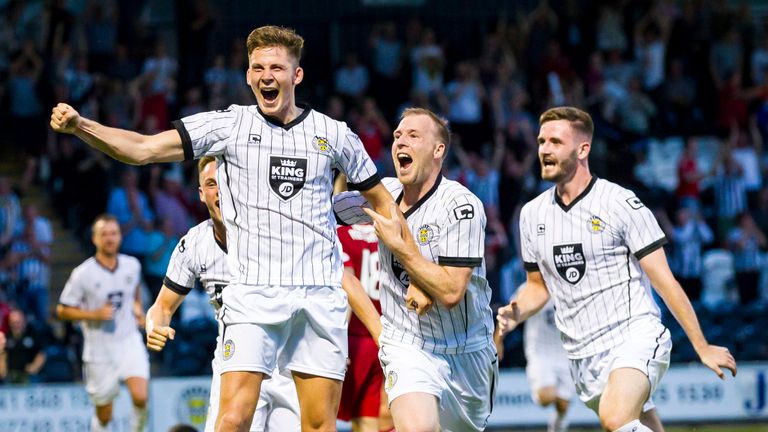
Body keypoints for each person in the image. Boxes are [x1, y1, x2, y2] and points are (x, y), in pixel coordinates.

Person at [51, 25, 396, 432]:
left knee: (319, 425)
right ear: (248, 77)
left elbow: (384, 204)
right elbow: (143, 149)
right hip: (253, 294)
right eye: (258, 68)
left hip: (318, 296)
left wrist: (408, 269)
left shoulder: (335, 134)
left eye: (277, 68)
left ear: (296, 75)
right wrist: (82, 127)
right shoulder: (228, 126)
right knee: (231, 420)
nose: (267, 75)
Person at [497, 106, 737, 432]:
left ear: (583, 149)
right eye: (541, 141)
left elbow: (663, 279)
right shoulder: (531, 215)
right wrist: (514, 312)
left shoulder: (621, 203)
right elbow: (538, 287)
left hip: (633, 336)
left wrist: (701, 345)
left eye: (555, 141)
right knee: (640, 424)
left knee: (615, 417)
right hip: (582, 358)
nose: (544, 149)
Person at [334, 107, 498, 431]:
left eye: (413, 135)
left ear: (438, 150)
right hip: (407, 346)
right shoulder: (384, 196)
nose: (400, 141)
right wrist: (382, 334)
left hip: (467, 353)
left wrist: (402, 249)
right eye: (397, 136)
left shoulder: (461, 207)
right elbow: (323, 214)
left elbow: (451, 291)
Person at [145, 156, 300, 432]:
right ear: (201, 195)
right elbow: (162, 307)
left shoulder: (275, 232)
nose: (221, 190)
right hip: (234, 359)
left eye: (227, 181)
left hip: (286, 359)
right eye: (211, 184)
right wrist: (155, 323)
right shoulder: (194, 244)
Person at [57, 214, 149, 432]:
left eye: (114, 233)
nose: (110, 238)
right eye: (104, 234)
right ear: (94, 239)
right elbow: (62, 310)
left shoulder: (132, 265)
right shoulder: (82, 274)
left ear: (120, 237)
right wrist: (93, 315)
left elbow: (134, 293)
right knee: (105, 414)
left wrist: (138, 311)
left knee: (140, 396)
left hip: (128, 341)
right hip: (99, 349)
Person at [335, 217, 391, 432]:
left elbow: (347, 284)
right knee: (368, 419)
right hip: (381, 335)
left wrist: (339, 341)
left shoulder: (340, 233)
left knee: (321, 416)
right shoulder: (385, 232)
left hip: (353, 337)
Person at [496, 286, 573, 432]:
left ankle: (556, 427)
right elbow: (507, 316)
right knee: (546, 397)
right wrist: (498, 340)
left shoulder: (567, 285)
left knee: (563, 405)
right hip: (539, 351)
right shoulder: (529, 288)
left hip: (565, 352)